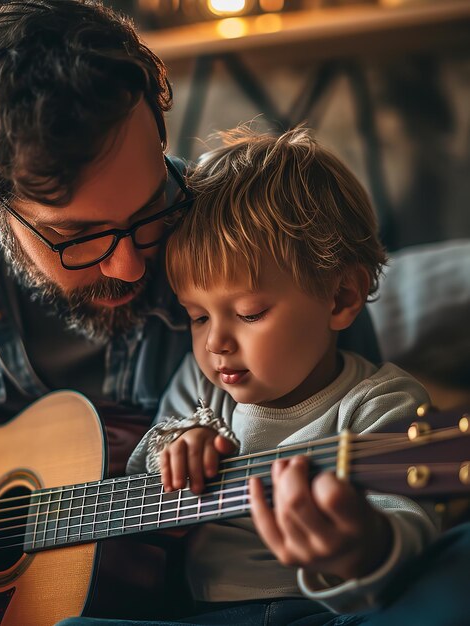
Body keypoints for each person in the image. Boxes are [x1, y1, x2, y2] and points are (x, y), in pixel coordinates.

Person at [0, 1, 466, 625]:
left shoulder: (258, 248)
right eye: (80, 237)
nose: (132, 268)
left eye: (149, 211)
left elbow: (370, 479)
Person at [57, 127, 466, 626]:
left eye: (249, 314)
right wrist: (178, 445)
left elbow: (408, 520)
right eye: (198, 316)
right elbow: (147, 467)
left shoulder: (380, 402)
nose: (215, 343)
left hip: (319, 610)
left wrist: (362, 544)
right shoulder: (202, 381)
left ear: (340, 298)